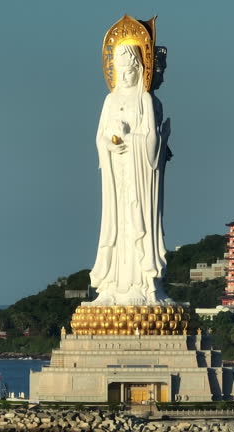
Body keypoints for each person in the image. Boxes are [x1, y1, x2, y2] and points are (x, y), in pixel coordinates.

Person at [90, 44, 172, 305]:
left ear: (139, 68)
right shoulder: (110, 100)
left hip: (139, 175)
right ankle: (112, 287)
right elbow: (99, 136)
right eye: (120, 71)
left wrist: (134, 139)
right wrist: (110, 141)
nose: (124, 76)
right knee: (116, 226)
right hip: (118, 174)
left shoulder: (145, 100)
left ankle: (143, 284)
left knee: (138, 224)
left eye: (129, 71)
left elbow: (150, 138)